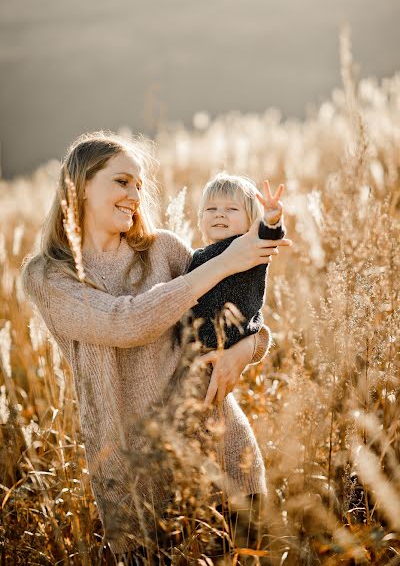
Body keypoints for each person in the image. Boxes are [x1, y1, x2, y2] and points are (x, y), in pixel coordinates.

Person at [21, 131, 292, 560]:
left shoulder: (164, 250)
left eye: (139, 185)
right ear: (80, 187)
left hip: (223, 454)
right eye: (122, 181)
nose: (135, 194)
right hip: (135, 480)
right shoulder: (49, 276)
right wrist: (225, 261)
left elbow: (245, 318)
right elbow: (125, 321)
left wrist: (243, 353)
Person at [178, 173, 285, 407]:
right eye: (211, 208)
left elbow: (268, 235)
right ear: (200, 220)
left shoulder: (249, 247)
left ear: (251, 223)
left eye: (231, 209)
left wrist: (271, 220)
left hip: (228, 342)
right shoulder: (198, 256)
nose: (219, 214)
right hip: (197, 351)